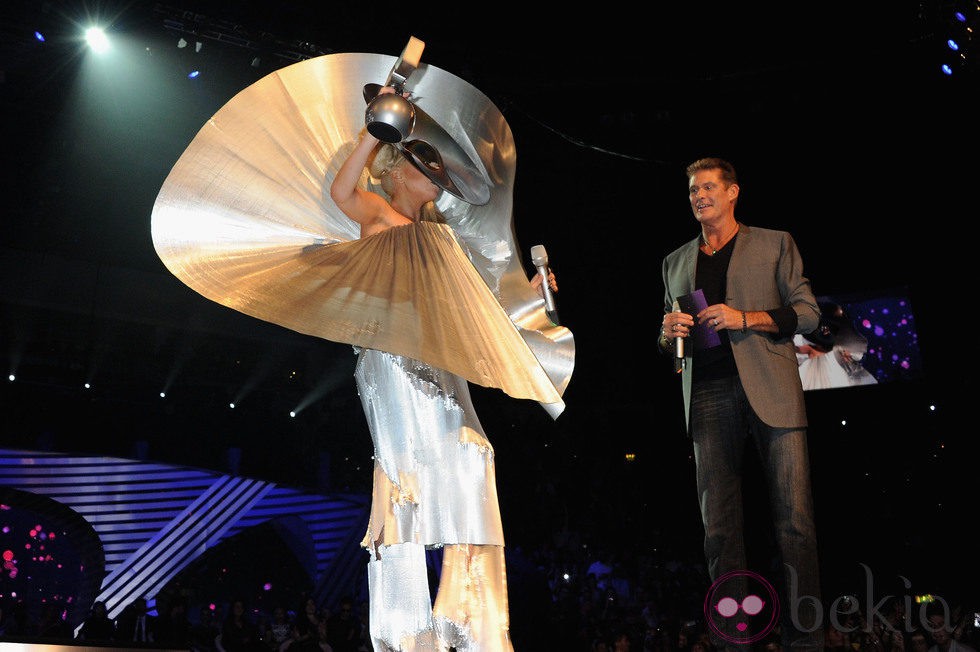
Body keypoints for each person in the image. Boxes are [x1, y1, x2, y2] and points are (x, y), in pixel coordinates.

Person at [329, 84, 558, 651]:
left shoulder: (444, 239)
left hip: (440, 358)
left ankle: (470, 624)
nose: (434, 174)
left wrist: (530, 294)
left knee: (473, 460)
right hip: (390, 359)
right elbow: (340, 190)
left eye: (437, 170)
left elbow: (482, 305)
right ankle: (405, 634)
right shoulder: (378, 213)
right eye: (423, 165)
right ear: (398, 171)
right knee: (403, 485)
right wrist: (373, 130)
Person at [659, 157, 823, 650]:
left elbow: (809, 315)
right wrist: (667, 335)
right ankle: (734, 639)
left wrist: (745, 317)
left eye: (708, 187)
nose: (699, 196)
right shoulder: (675, 262)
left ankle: (806, 640)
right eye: (692, 189)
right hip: (706, 396)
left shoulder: (774, 243)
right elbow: (672, 342)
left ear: (733, 193)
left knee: (795, 523)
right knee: (719, 533)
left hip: (771, 392)